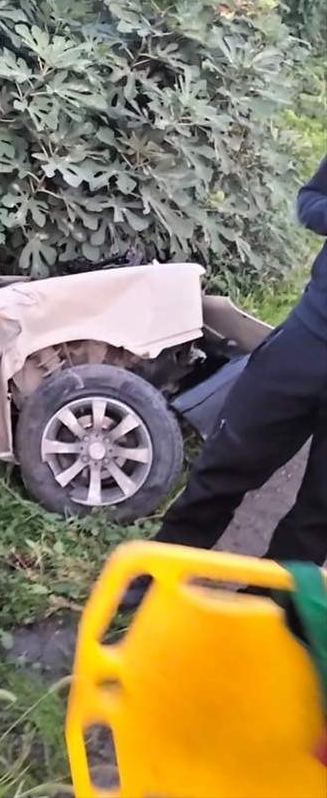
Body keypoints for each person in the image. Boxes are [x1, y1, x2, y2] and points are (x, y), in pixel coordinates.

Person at [123, 154, 327, 607]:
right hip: (307, 341)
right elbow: (311, 200)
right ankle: (157, 576)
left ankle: (263, 612)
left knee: (319, 514)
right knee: (223, 467)